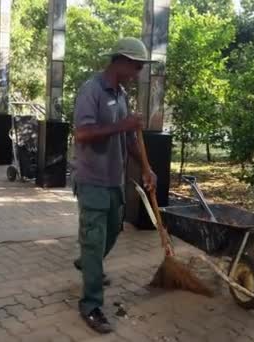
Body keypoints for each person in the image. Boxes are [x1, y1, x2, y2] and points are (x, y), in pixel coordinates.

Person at [72, 37, 157, 334]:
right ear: (120, 61)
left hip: (114, 179)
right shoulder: (91, 90)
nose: (139, 73)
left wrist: (146, 167)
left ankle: (87, 261)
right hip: (92, 179)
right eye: (136, 66)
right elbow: (82, 134)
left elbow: (129, 140)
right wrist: (123, 125)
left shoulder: (121, 95)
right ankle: (91, 305)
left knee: (111, 233)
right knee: (95, 240)